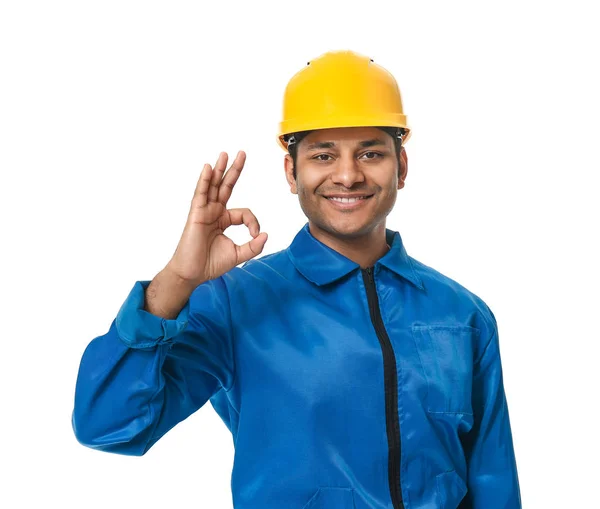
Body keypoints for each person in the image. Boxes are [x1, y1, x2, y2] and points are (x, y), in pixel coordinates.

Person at [72, 50, 522, 508]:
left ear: (401, 167)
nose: (348, 175)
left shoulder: (461, 314)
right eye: (324, 155)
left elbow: (494, 483)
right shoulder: (236, 302)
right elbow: (107, 426)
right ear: (292, 171)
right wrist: (179, 279)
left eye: (370, 152)